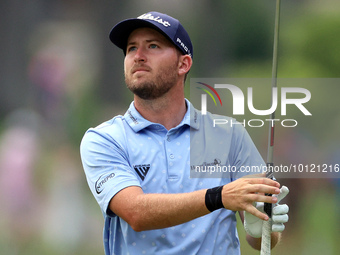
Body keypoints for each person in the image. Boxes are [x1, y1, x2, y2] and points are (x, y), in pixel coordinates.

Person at [80, 11, 289, 255]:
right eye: (131, 48)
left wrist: (260, 227)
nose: (138, 56)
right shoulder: (105, 139)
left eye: (153, 46)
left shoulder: (229, 134)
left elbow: (264, 239)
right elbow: (135, 212)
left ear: (183, 64)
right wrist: (219, 196)